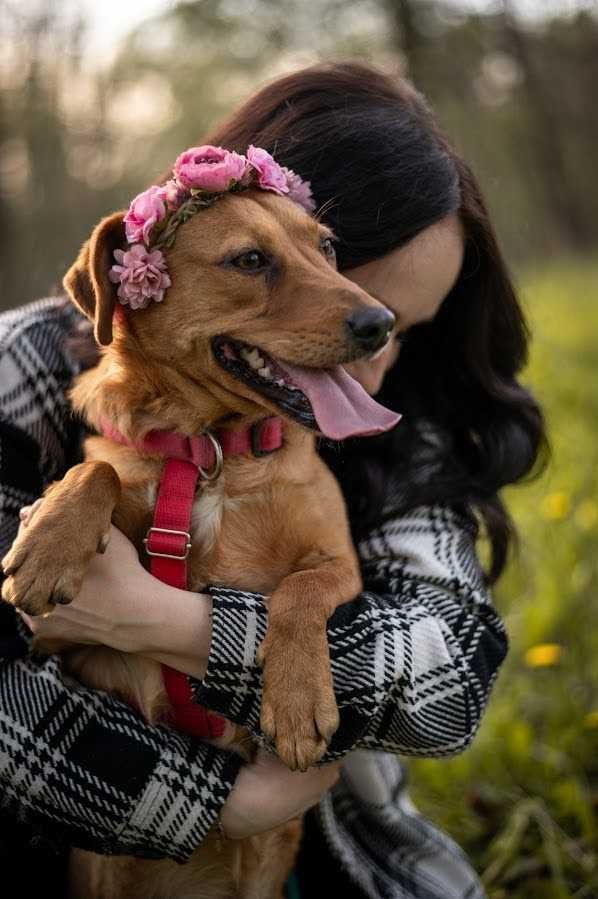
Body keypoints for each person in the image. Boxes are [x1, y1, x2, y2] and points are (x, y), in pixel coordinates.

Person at [0, 62, 545, 898]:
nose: (373, 361)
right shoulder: (20, 370)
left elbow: (451, 676)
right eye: (262, 264)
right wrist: (206, 800)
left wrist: (167, 622)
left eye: (394, 324)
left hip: (317, 848)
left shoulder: (404, 413)